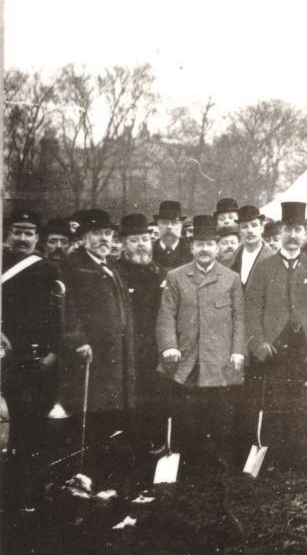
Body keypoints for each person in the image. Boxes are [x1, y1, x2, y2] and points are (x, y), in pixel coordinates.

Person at [157, 215, 245, 473]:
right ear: (192, 248)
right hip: (187, 359)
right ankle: (188, 464)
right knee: (187, 415)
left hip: (218, 361)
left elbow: (239, 320)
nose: (205, 250)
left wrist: (238, 351)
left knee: (218, 415)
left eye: (209, 245)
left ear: (217, 248)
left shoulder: (231, 278)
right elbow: (165, 316)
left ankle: (217, 465)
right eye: (199, 245)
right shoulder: (176, 277)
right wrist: (169, 346)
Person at [245, 202, 307, 457]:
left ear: (305, 232)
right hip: (275, 347)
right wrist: (259, 343)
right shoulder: (264, 268)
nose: (293, 235)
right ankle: (276, 458)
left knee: (304, 402)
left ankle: (302, 457)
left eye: (298, 230)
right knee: (275, 401)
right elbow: (251, 310)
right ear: (280, 231)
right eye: (288, 229)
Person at [59, 209, 136, 490]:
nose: (104, 239)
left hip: (116, 358)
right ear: (84, 238)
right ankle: (83, 478)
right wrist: (77, 339)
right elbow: (67, 308)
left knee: (110, 419)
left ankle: (106, 480)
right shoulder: (72, 266)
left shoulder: (112, 266)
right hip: (91, 358)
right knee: (90, 419)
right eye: (97, 234)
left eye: (107, 233)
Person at [2, 209, 62, 508]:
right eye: (17, 231)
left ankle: (30, 494)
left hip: (34, 359)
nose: (23, 238)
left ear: (37, 238)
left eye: (29, 233)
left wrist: (53, 350)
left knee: (30, 428)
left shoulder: (47, 270)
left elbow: (56, 314)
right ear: (7, 234)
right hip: (3, 357)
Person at [115, 213, 168, 460]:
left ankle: (155, 452)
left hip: (155, 353)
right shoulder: (114, 273)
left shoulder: (162, 274)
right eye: (134, 240)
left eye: (145, 239)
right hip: (124, 353)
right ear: (123, 243)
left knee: (155, 405)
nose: (141, 245)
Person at [232, 205, 274, 288]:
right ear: (239, 231)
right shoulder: (232, 258)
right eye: (244, 227)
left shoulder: (273, 258)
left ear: (262, 228)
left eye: (254, 225)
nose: (250, 231)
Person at [152, 200, 192, 270]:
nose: (169, 227)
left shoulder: (191, 252)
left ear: (181, 225)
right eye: (164, 222)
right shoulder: (150, 252)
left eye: (174, 223)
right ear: (158, 225)